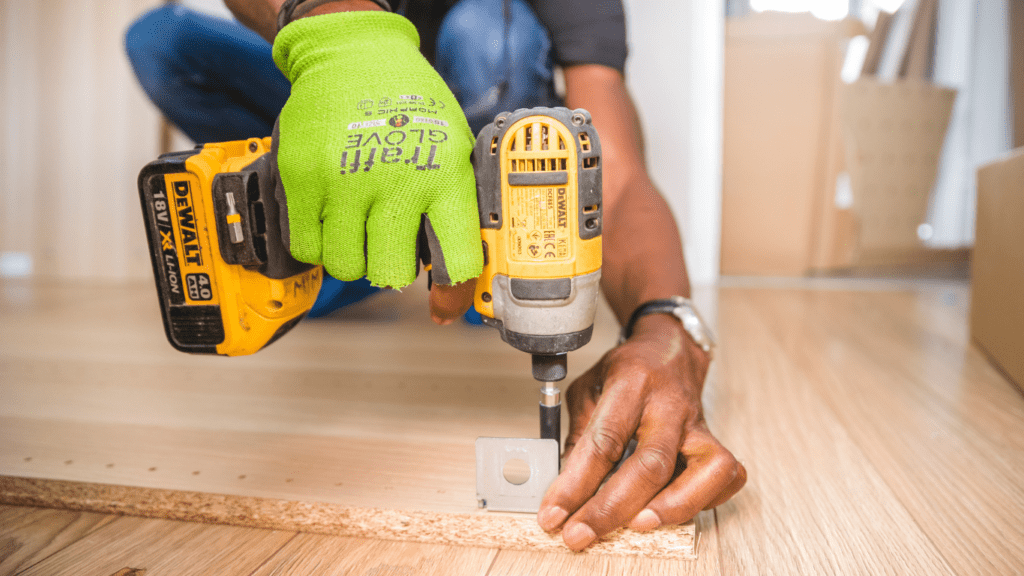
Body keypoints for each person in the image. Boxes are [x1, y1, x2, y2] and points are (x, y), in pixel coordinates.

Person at [124, 0, 746, 551]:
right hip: (346, 108)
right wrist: (338, 33)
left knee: (487, 31)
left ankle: (465, 249)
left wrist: (666, 322)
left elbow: (615, 171)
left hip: (475, 149)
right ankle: (351, 239)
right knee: (163, 39)